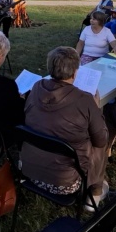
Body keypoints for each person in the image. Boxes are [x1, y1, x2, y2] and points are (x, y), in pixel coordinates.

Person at [20, 47, 109, 211]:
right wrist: (96, 109)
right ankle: (95, 193)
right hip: (65, 183)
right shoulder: (85, 99)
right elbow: (101, 140)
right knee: (98, 145)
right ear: (75, 73)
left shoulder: (36, 87)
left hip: (29, 170)